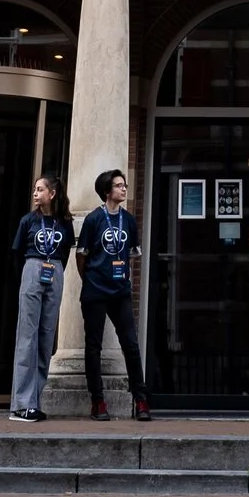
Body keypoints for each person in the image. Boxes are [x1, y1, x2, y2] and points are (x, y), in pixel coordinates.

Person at [74, 168, 152, 421]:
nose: (124, 189)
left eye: (125, 185)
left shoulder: (128, 220)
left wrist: (122, 277)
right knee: (93, 346)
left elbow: (132, 254)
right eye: (119, 185)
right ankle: (98, 402)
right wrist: (93, 280)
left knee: (130, 344)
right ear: (107, 191)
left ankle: (140, 400)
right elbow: (82, 256)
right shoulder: (94, 220)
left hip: (120, 292)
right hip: (96, 291)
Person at [6, 174, 70, 421]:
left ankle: (35, 400)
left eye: (40, 189)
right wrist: (27, 275)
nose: (35, 193)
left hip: (55, 271)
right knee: (27, 336)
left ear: (52, 194)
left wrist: (55, 270)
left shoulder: (64, 223)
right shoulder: (28, 221)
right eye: (35, 189)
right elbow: (17, 252)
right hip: (33, 268)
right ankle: (21, 403)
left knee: (46, 337)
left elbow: (65, 252)